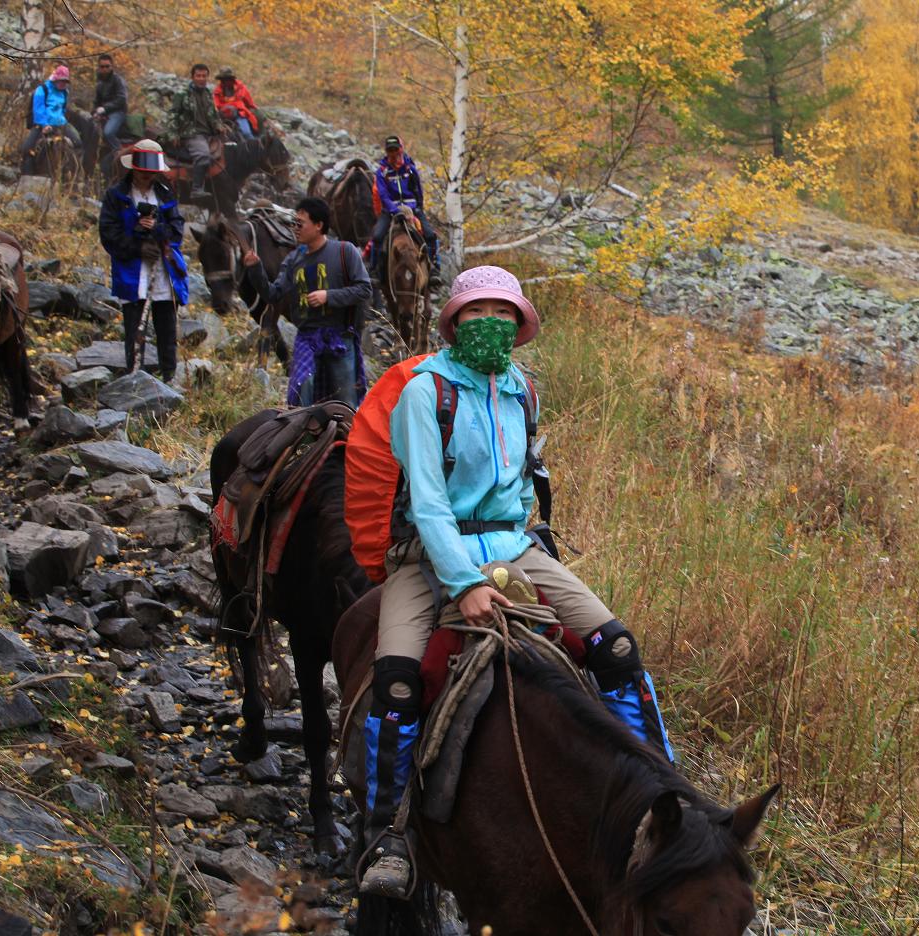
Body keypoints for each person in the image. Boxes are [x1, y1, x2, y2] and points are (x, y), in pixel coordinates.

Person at [356, 265, 673, 899]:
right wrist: (464, 582)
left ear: (519, 325)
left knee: (615, 647)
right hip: (430, 554)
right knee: (395, 679)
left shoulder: (520, 390)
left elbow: (521, 482)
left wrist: (523, 544)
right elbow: (428, 501)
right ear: (453, 323)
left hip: (513, 546)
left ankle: (657, 792)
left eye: (502, 315)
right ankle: (386, 831)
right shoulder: (426, 393)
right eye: (475, 314)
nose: (489, 325)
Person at [242, 197, 374, 407]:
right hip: (307, 338)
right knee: (300, 393)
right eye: (294, 223)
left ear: (319, 225)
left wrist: (328, 296)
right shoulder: (294, 260)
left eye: (300, 223)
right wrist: (255, 269)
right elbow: (273, 294)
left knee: (346, 402)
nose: (295, 228)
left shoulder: (344, 251)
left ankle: (346, 438)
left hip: (341, 337)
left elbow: (364, 289)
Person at [97, 140, 188, 383]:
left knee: (166, 329)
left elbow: (177, 230)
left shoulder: (165, 194)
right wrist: (137, 245)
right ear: (133, 170)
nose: (146, 177)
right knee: (134, 329)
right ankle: (134, 376)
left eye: (151, 173)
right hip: (132, 272)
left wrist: (158, 229)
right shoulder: (116, 196)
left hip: (162, 271)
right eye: (143, 173)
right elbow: (108, 234)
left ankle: (169, 377)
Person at [368, 136, 442, 289]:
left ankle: (434, 266)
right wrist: (395, 211)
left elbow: (418, 190)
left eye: (396, 149)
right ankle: (374, 270)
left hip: (412, 208)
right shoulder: (382, 172)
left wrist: (418, 208)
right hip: (390, 209)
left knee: (430, 234)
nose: (394, 153)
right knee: (377, 236)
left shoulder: (410, 169)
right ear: (386, 152)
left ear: (401, 148)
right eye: (390, 150)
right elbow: (383, 195)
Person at [168, 63, 220, 197]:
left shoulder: (208, 93)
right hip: (192, 133)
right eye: (198, 76)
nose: (201, 78)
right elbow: (172, 113)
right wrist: (173, 133)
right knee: (203, 155)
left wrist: (219, 125)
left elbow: (213, 114)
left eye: (204, 76)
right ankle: (196, 188)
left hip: (209, 132)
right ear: (192, 77)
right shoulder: (182, 94)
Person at [19, 65, 82, 174]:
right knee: (27, 148)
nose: (63, 84)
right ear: (55, 79)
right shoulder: (42, 90)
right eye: (61, 81)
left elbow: (62, 109)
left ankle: (75, 174)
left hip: (61, 123)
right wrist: (44, 125)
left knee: (78, 142)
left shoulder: (65, 92)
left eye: (65, 81)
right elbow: (38, 109)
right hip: (43, 124)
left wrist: (61, 120)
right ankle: (27, 176)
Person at [93, 54, 129, 154]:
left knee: (108, 133)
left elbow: (122, 99)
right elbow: (96, 101)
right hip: (104, 113)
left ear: (112, 66)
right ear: (99, 67)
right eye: (102, 67)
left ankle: (120, 153)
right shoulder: (99, 82)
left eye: (107, 66)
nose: (105, 69)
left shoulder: (118, 80)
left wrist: (105, 108)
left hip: (118, 112)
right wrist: (95, 112)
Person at [213, 66, 259, 140]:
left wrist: (250, 112)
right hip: (223, 117)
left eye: (228, 79)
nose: (225, 82)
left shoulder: (241, 88)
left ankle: (254, 147)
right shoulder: (217, 91)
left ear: (232, 79)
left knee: (246, 133)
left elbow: (250, 104)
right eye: (223, 80)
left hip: (239, 115)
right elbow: (216, 105)